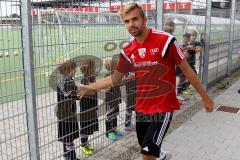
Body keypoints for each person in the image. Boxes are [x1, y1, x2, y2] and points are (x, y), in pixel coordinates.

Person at [77, 3, 214, 160]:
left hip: (163, 108)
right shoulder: (128, 50)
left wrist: (205, 97)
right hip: (142, 109)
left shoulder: (166, 41)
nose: (131, 24)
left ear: (144, 19)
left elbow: (187, 70)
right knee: (147, 148)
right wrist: (88, 87)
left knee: (147, 154)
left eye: (135, 19)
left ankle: (156, 153)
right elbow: (115, 78)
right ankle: (161, 155)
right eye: (126, 21)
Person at [55, 61, 80, 160]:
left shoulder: (61, 79)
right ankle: (71, 157)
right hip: (68, 114)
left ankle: (66, 156)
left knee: (66, 136)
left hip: (64, 113)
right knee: (69, 137)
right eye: (74, 69)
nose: (75, 71)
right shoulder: (68, 81)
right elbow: (72, 94)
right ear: (67, 71)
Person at [79, 59, 99, 155]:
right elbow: (86, 92)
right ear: (89, 69)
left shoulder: (92, 78)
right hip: (86, 107)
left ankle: (86, 142)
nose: (96, 69)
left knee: (90, 125)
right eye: (94, 67)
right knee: (85, 126)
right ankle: (83, 144)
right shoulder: (84, 80)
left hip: (92, 106)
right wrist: (94, 89)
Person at [103, 58, 125, 140]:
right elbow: (104, 87)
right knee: (109, 116)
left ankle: (114, 129)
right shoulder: (106, 76)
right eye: (115, 66)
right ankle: (108, 133)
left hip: (116, 99)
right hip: (110, 101)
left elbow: (121, 83)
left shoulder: (116, 75)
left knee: (115, 114)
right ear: (110, 68)